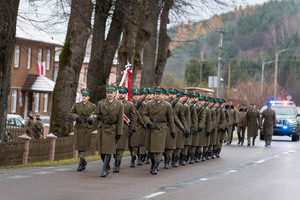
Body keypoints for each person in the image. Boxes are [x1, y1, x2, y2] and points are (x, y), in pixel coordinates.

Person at [142, 86, 175, 175]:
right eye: (156, 93)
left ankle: (155, 166)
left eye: (160, 94)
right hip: (151, 128)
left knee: (158, 149)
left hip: (161, 128)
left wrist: (172, 131)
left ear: (163, 95)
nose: (158, 95)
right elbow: (144, 115)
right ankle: (153, 164)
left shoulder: (167, 106)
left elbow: (171, 119)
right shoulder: (149, 104)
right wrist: (148, 122)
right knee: (150, 149)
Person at [95, 86, 124, 177]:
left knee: (108, 150)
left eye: (111, 93)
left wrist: (119, 133)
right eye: (108, 93)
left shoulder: (119, 105)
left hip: (112, 129)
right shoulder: (101, 103)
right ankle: (106, 165)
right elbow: (97, 114)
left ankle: (104, 169)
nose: (109, 94)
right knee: (102, 151)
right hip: (102, 128)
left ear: (115, 94)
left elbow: (120, 120)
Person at [69, 88, 96, 171]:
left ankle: (81, 162)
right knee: (79, 146)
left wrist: (91, 119)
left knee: (84, 146)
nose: (84, 97)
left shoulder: (92, 106)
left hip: (87, 127)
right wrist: (77, 118)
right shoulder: (76, 105)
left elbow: (95, 114)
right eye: (83, 95)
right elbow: (70, 113)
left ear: (89, 97)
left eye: (86, 96)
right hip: (79, 127)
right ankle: (83, 160)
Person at [114, 86, 137, 172]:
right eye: (120, 93)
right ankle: (115, 160)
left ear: (126, 94)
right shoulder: (114, 103)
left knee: (120, 147)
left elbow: (134, 118)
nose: (121, 95)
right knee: (114, 147)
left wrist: (132, 128)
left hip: (124, 127)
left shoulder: (130, 105)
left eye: (123, 93)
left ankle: (117, 164)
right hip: (114, 127)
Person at [130, 89, 147, 166]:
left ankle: (140, 158)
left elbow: (145, 115)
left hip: (142, 125)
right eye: (135, 95)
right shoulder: (130, 104)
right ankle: (133, 158)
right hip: (133, 126)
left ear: (140, 96)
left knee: (141, 144)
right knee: (133, 144)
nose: (136, 97)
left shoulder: (144, 105)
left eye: (138, 95)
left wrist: (144, 124)